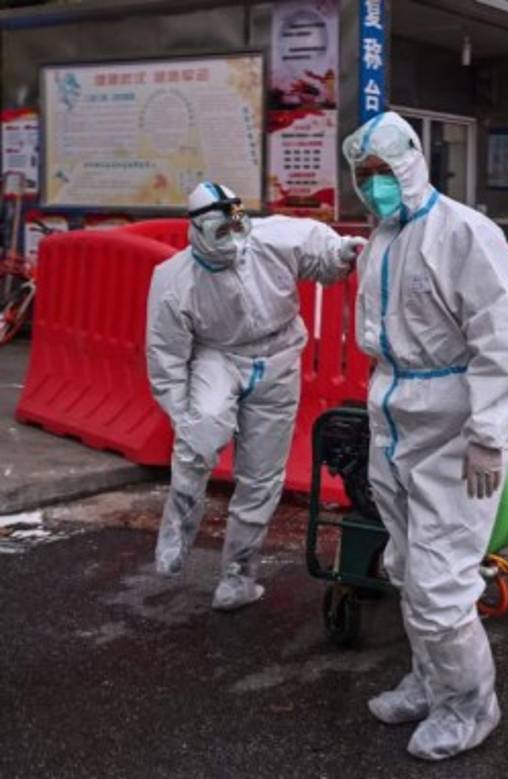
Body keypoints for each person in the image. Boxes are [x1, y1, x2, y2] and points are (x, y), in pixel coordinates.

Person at [341, 111, 508, 761]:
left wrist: (487, 433)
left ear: (412, 163)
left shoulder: (464, 234)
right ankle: (430, 679)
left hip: (452, 426)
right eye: (363, 177)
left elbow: (501, 338)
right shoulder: (381, 240)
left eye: (382, 172)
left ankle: (471, 706)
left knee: (442, 583)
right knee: (406, 565)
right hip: (392, 419)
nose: (374, 187)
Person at [146, 181, 365, 610]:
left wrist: (341, 255)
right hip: (219, 356)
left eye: (236, 225)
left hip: (279, 354)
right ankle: (175, 535)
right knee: (198, 440)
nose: (233, 238)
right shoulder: (175, 278)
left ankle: (238, 575)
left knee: (262, 474)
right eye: (220, 231)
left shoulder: (273, 238)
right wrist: (180, 412)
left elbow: (321, 254)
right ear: (196, 231)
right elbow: (166, 353)